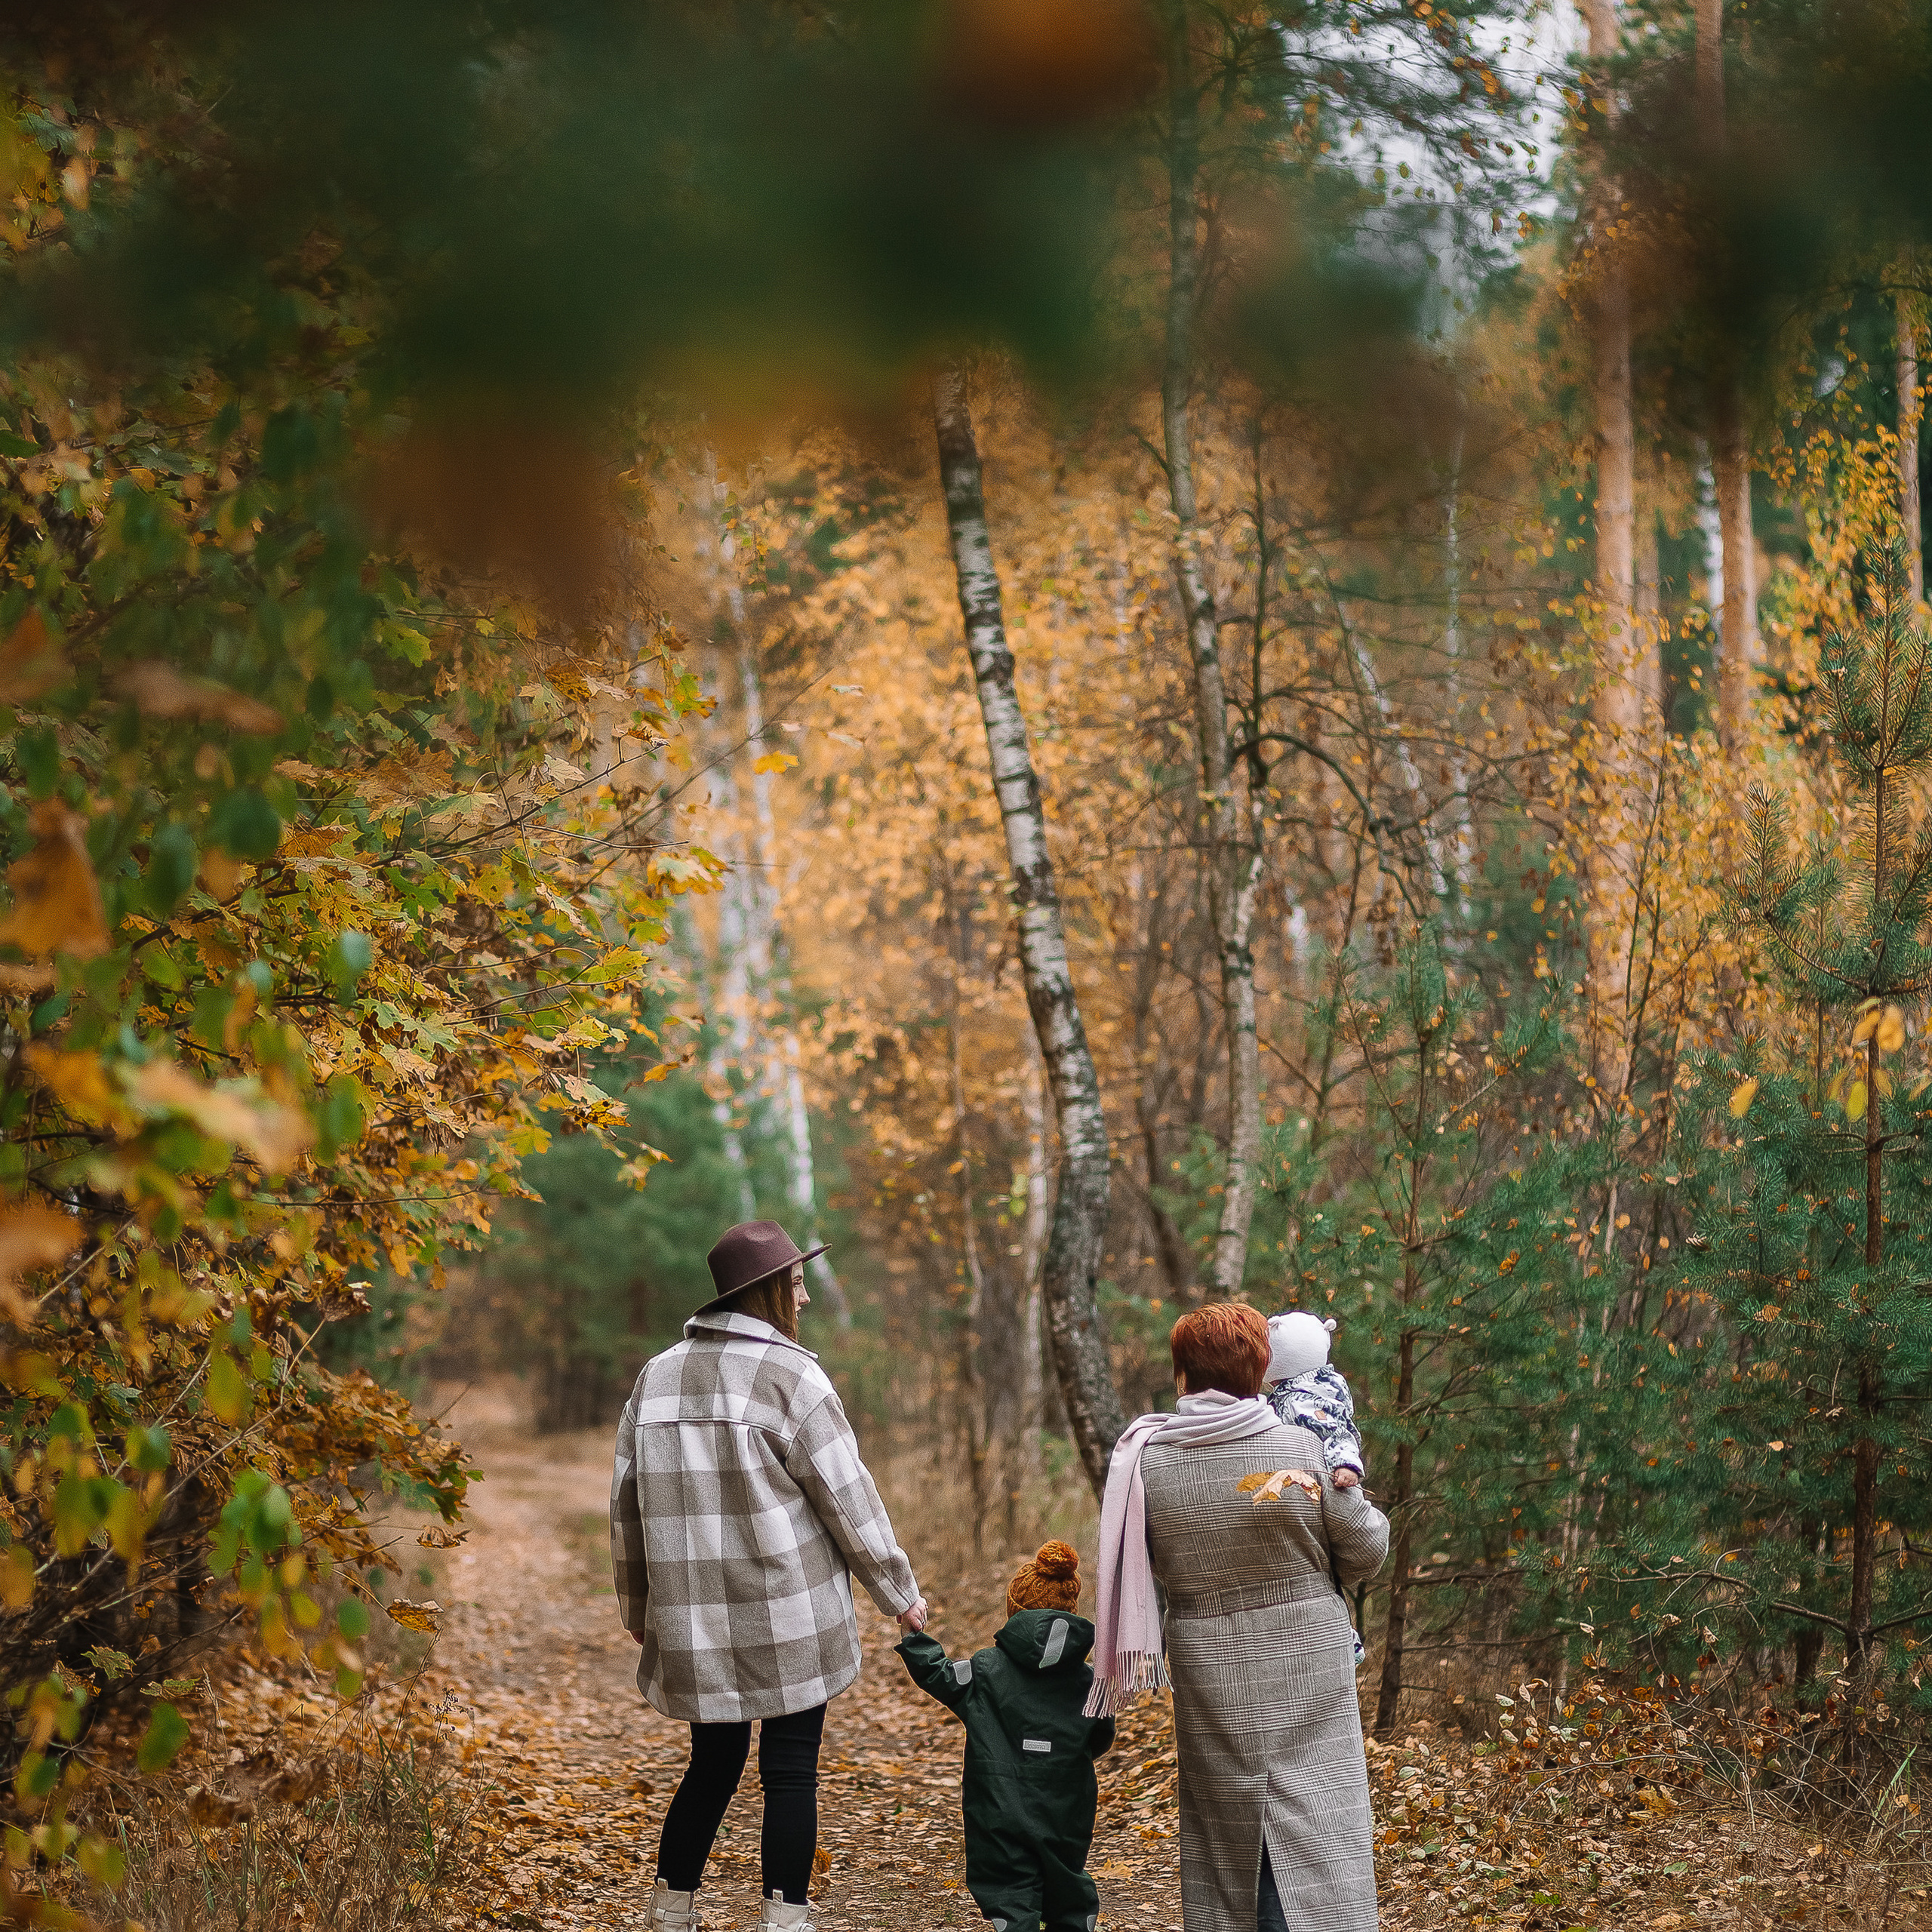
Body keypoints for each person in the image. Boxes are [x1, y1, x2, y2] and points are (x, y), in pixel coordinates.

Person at [611, 1220, 929, 1932]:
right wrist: (899, 1594)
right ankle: (785, 1921)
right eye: (795, 1281)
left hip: (695, 1617)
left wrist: (639, 1607)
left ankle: (670, 1913)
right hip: (792, 1611)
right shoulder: (793, 1377)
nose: (806, 1295)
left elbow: (624, 1507)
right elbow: (847, 1494)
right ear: (766, 1293)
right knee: (791, 1769)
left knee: (712, 1765)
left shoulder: (656, 1378)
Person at [1084, 1303, 1388, 1932]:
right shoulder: (1300, 1446)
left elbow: (1150, 1561)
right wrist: (1354, 1490)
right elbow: (1363, 1553)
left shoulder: (1148, 1462)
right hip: (1309, 1661)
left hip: (1208, 1659)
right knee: (1319, 1819)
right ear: (1259, 1368)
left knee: (1227, 1822)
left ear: (1183, 1373)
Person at [895, 1541, 1115, 1932]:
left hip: (998, 1804)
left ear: (1015, 1610)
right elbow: (1101, 1737)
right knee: (1065, 1875)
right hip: (1067, 1803)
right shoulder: (1089, 1682)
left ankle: (1013, 1923)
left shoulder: (986, 1670)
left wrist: (914, 1637)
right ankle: (1077, 1919)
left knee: (1010, 1888)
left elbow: (940, 1674)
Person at [1263, 1311, 1363, 1488]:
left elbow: (1336, 1431)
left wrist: (1346, 1465)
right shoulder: (1296, 1393)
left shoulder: (1303, 1401)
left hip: (1313, 1480)